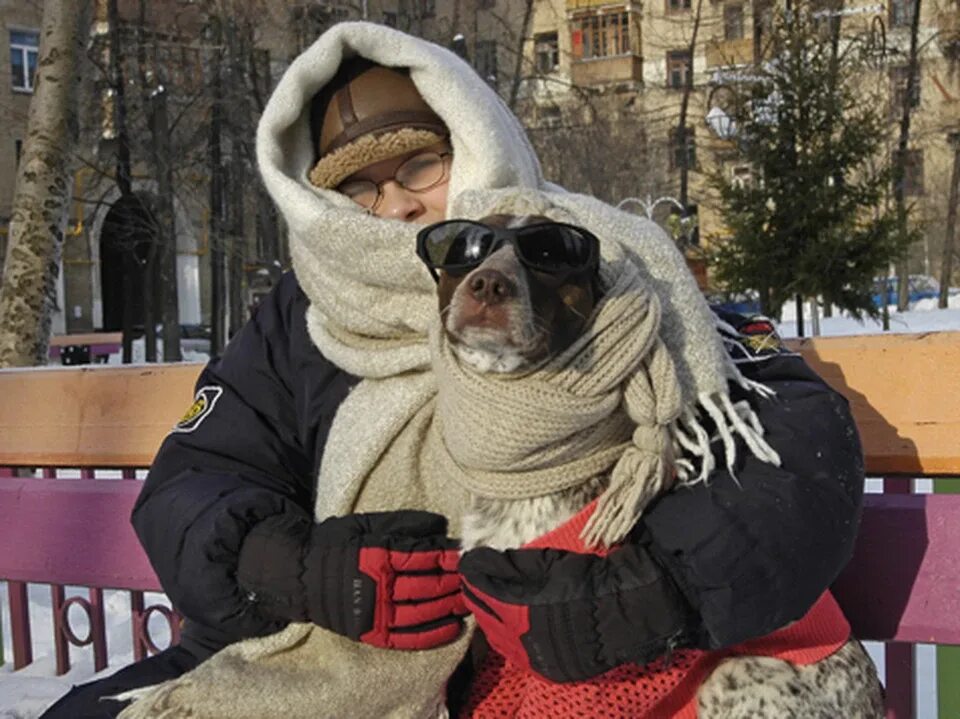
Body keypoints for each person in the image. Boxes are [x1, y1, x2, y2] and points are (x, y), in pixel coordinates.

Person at [42, 22, 866, 719]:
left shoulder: (581, 265)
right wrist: (288, 565)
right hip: (311, 663)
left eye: (417, 168)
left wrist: (656, 590)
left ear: (474, 140)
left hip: (544, 672)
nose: (395, 206)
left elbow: (789, 435)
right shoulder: (301, 319)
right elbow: (197, 477)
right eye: (359, 189)